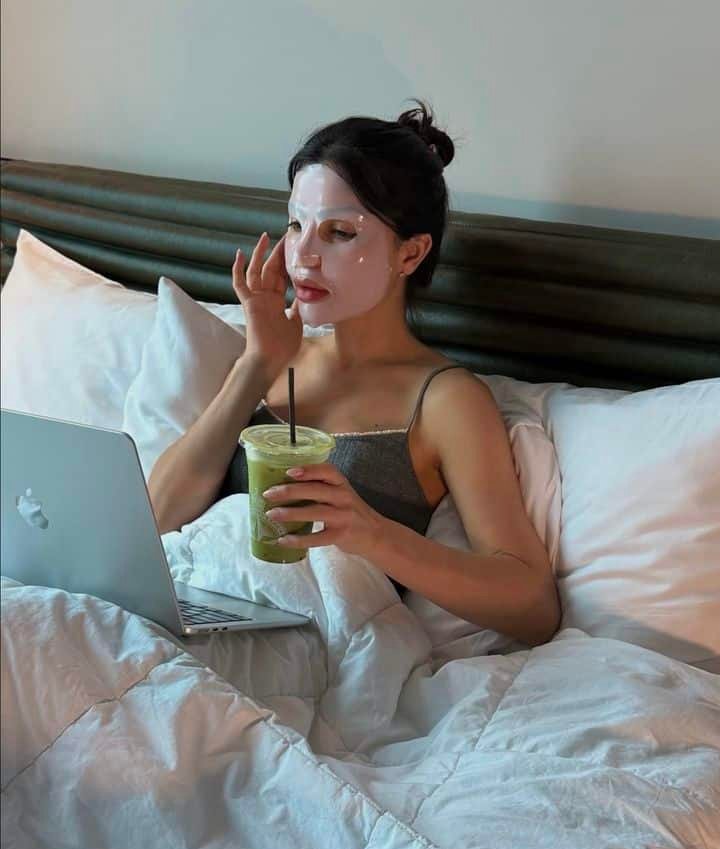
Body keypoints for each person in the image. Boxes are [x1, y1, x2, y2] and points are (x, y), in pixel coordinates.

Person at [148, 100, 561, 647]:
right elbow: (156, 518)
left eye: (339, 232)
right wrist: (256, 363)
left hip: (303, 648)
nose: (303, 255)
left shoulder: (444, 400)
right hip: (189, 615)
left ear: (410, 254)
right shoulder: (273, 357)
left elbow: (534, 605)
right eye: (297, 225)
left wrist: (371, 533)